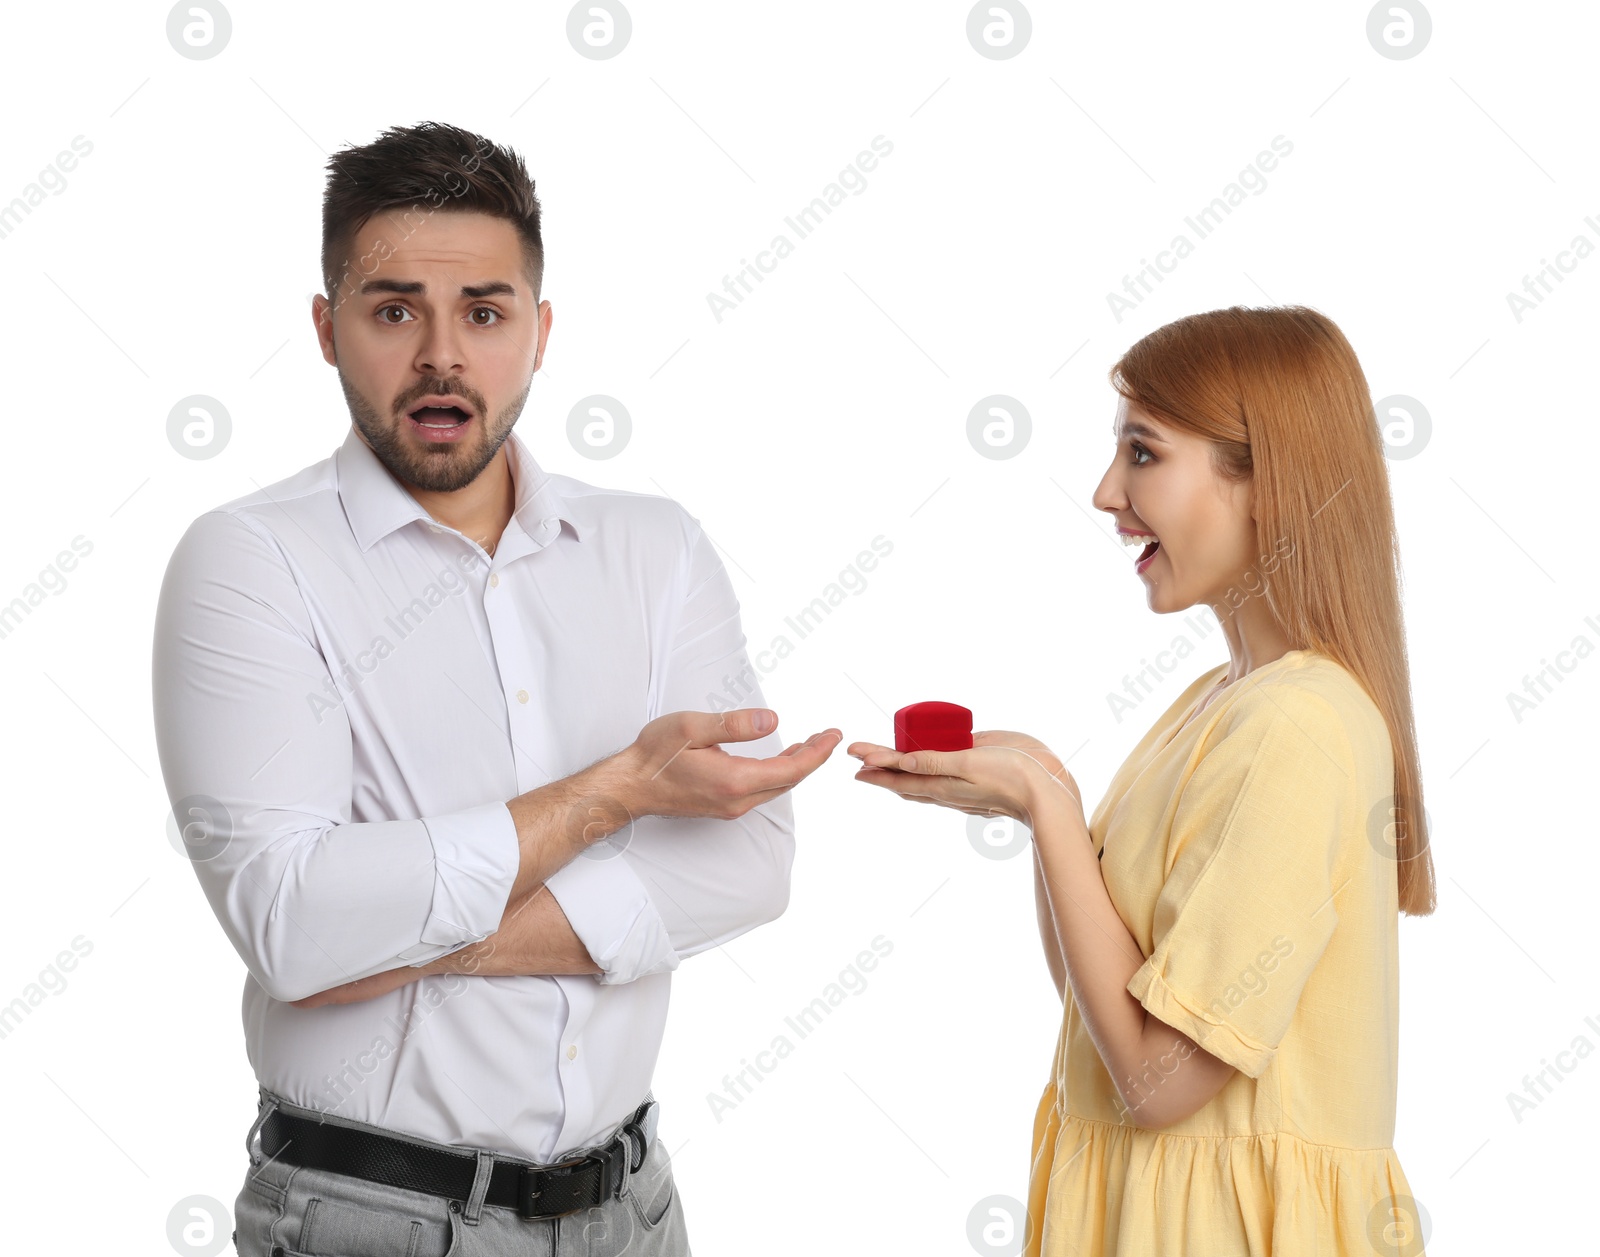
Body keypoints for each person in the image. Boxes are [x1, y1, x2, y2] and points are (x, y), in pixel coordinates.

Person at [152, 120, 841, 1257]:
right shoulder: (249, 562)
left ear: (538, 329)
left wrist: (391, 942)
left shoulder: (653, 548)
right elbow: (290, 921)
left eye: (483, 310)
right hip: (374, 1218)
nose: (441, 356)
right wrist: (616, 794)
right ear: (327, 331)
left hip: (636, 1209)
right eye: (392, 311)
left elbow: (750, 865)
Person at [849, 306, 1435, 1255]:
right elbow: (1107, 1016)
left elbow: (1158, 1082)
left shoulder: (1300, 726)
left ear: (1262, 481)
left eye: (1143, 453)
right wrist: (1043, 788)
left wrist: (1047, 809)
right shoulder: (1224, 700)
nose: (1104, 490)